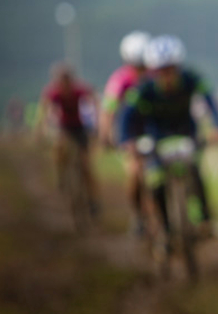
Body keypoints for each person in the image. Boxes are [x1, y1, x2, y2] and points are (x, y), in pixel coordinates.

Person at [119, 35, 218, 240]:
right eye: (161, 71)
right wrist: (127, 140)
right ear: (153, 71)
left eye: (171, 69)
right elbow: (126, 115)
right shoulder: (144, 88)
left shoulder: (191, 79)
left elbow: (211, 100)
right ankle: (165, 227)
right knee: (155, 181)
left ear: (178, 67)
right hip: (156, 136)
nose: (167, 75)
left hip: (186, 132)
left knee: (194, 171)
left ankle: (205, 219)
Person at [99, 30, 150, 234]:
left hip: (154, 128)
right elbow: (108, 110)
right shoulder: (120, 80)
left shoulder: (156, 76)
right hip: (131, 131)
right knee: (135, 173)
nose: (141, 69)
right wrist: (106, 135)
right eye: (137, 65)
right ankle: (138, 215)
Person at [34, 62, 101, 214]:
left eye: (67, 80)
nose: (64, 84)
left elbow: (95, 100)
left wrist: (97, 122)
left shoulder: (80, 90)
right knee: (59, 149)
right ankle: (62, 175)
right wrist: (40, 130)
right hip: (64, 127)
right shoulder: (53, 92)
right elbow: (43, 110)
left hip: (80, 128)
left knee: (86, 166)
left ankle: (93, 200)